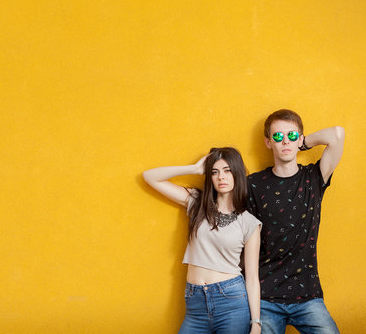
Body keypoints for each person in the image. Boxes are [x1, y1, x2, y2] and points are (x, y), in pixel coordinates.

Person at [143, 147, 262, 334]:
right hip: (195, 304)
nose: (221, 177)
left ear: (237, 174)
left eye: (227, 170)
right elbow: (150, 177)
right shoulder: (196, 204)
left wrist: (256, 322)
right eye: (215, 172)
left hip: (231, 302)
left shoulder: (249, 223)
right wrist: (195, 169)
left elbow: (253, 278)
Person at [247, 109, 345, 333]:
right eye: (278, 136)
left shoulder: (314, 178)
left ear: (300, 139)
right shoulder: (253, 184)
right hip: (265, 297)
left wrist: (303, 141)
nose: (285, 141)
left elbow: (337, 134)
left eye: (291, 135)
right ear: (268, 142)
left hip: (308, 297)